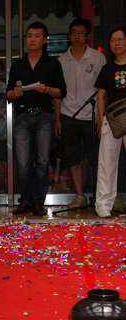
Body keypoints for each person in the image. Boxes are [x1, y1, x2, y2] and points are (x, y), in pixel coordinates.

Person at [7, 22, 66, 216]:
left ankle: (38, 202)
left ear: (45, 40)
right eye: (29, 36)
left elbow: (61, 92)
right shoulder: (18, 64)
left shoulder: (53, 63)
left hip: (44, 116)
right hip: (22, 116)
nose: (32, 39)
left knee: (42, 161)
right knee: (23, 162)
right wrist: (14, 93)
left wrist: (46, 89)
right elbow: (8, 93)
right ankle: (25, 200)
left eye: (37, 36)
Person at [56, 18, 106, 209]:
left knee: (96, 158)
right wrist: (57, 119)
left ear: (87, 36)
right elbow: (58, 94)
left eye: (81, 33)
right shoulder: (61, 60)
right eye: (74, 33)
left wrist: (101, 117)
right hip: (68, 115)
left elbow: (103, 90)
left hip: (93, 115)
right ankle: (79, 196)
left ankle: (99, 196)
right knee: (73, 158)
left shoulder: (98, 58)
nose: (77, 36)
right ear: (69, 36)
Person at [94, 26, 126, 218]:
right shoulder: (107, 69)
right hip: (112, 119)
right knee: (107, 162)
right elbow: (101, 95)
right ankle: (103, 205)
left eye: (120, 39)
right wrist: (100, 118)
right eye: (113, 40)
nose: (116, 43)